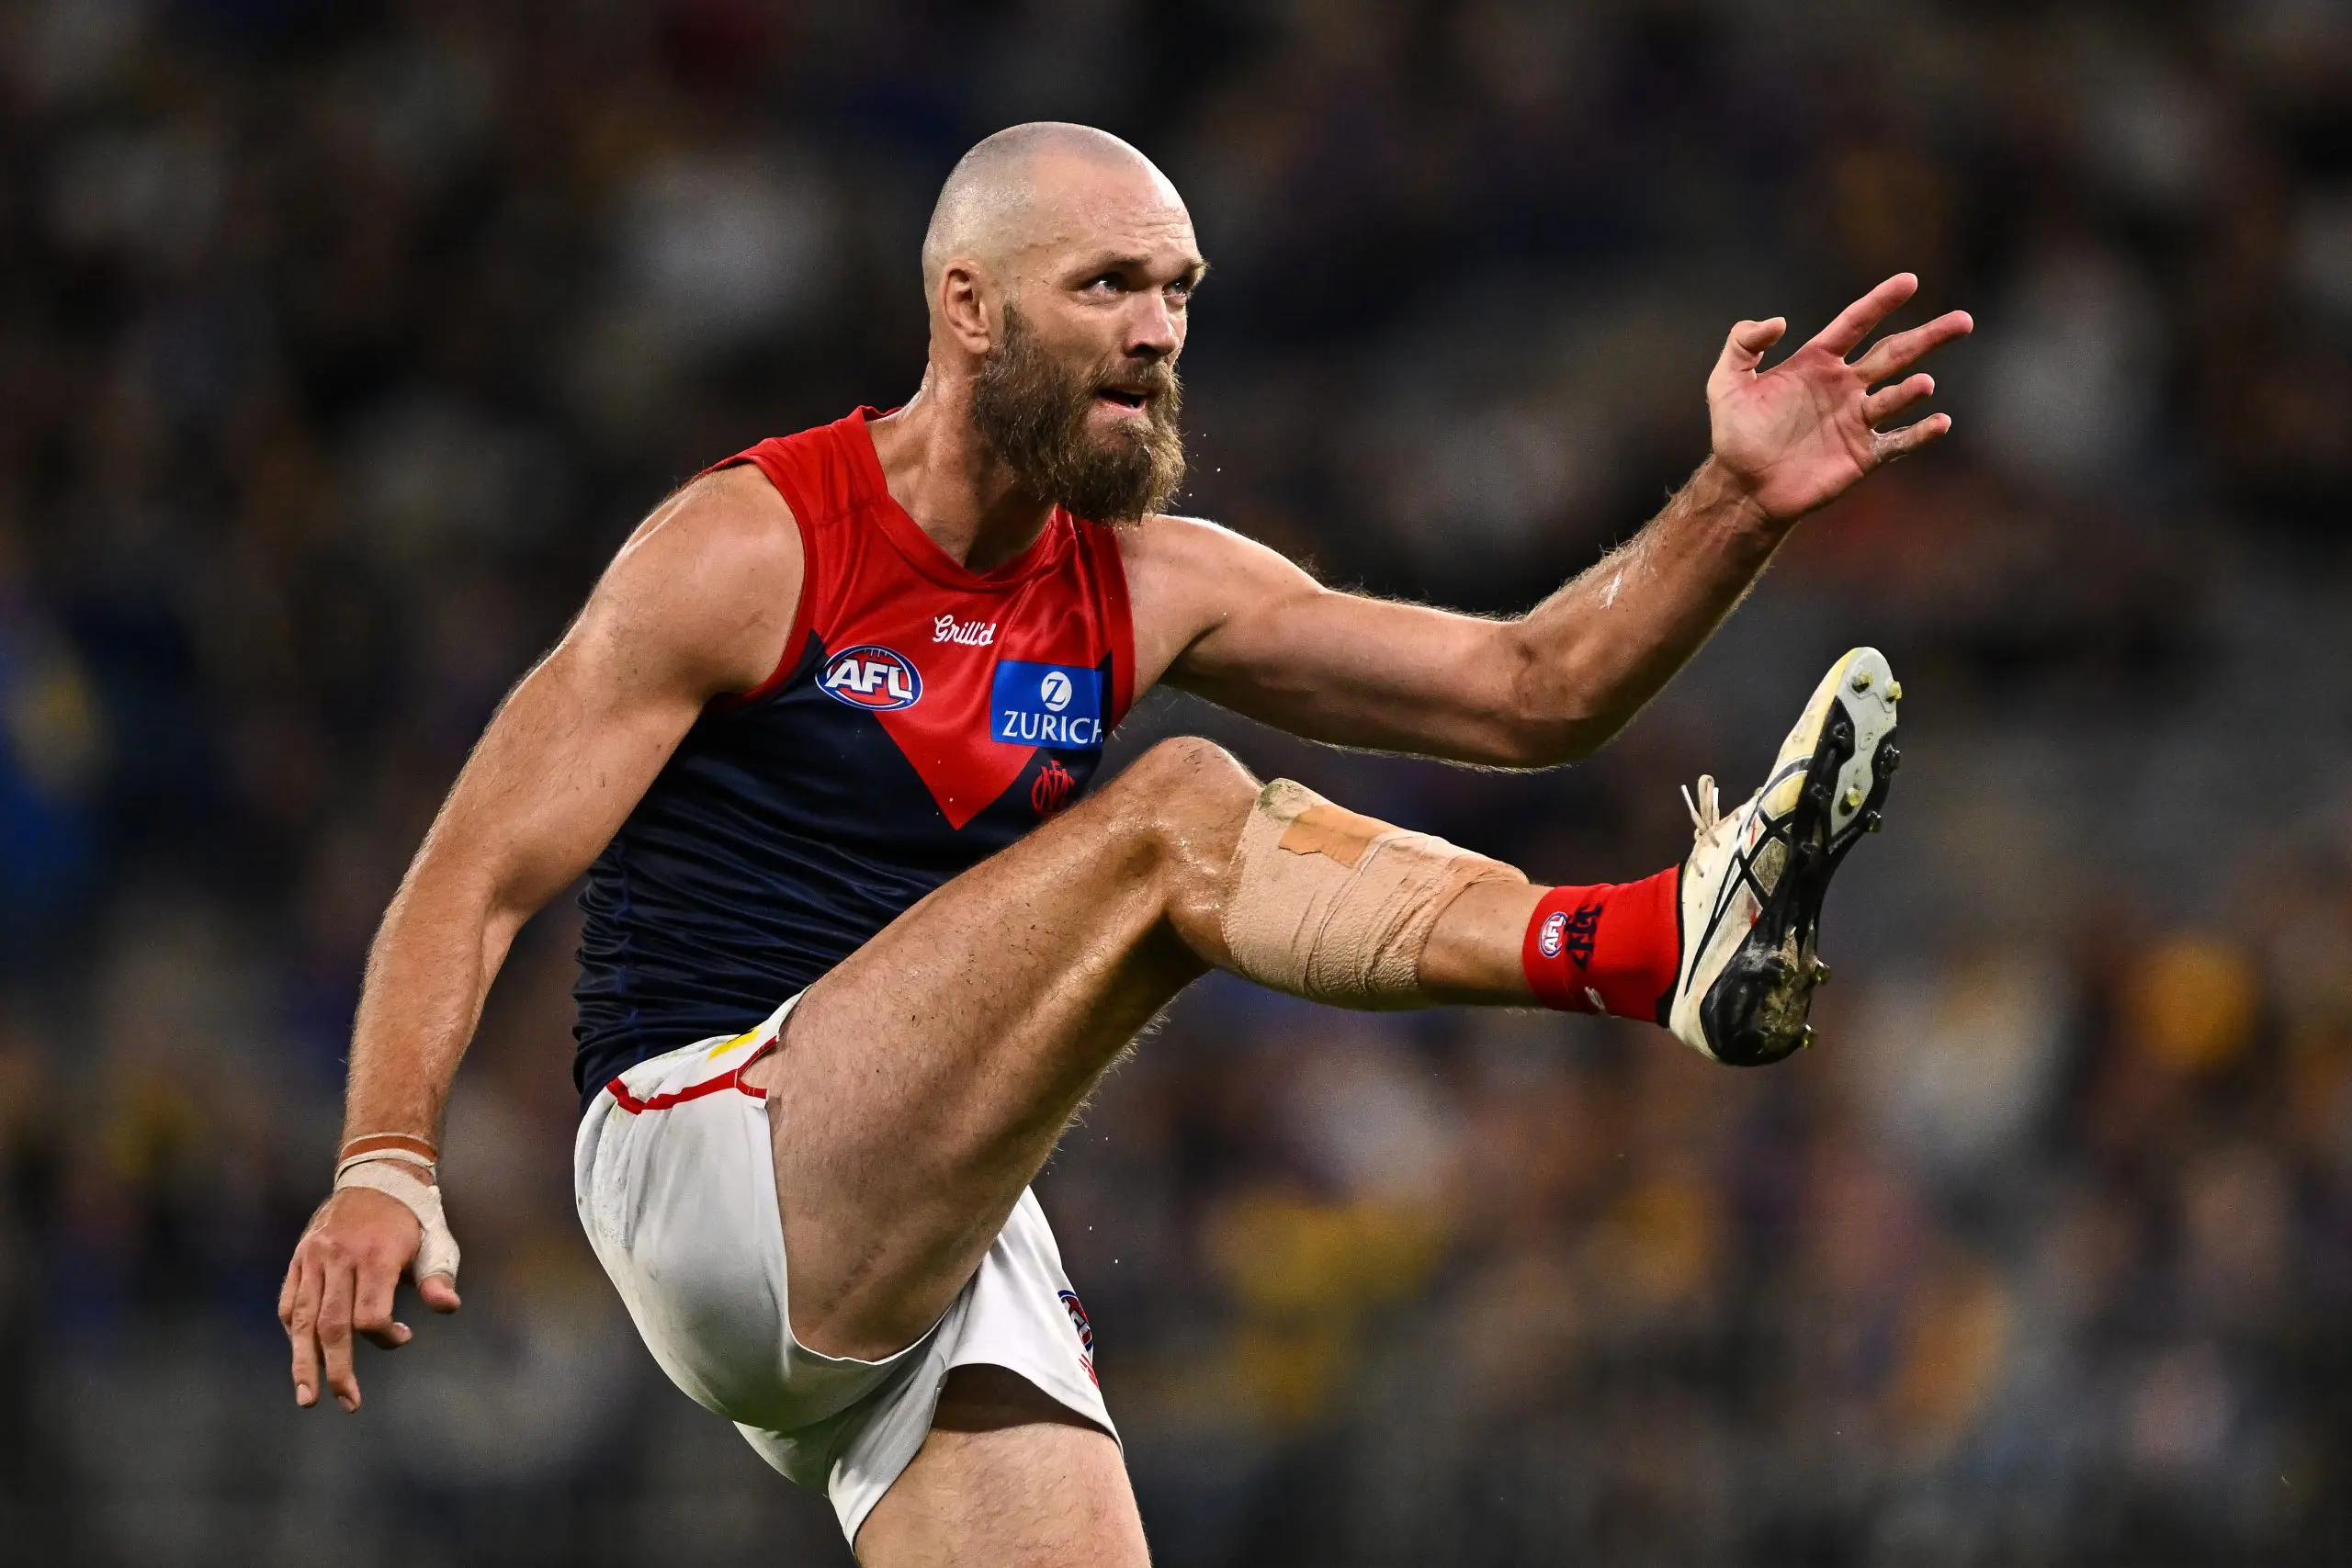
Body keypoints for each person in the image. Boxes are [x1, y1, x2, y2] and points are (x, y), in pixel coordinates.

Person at [278, 121, 1968, 1564]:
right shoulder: (754, 542)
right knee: (1172, 818)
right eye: (1106, 287)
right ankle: (1651, 942)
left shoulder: (1149, 578)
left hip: (929, 1232)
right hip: (707, 1149)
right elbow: (473, 870)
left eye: (1178, 291)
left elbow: (1533, 690)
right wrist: (385, 1163)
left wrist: (1735, 500)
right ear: (969, 307)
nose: (1158, 332)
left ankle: (1668, 941)